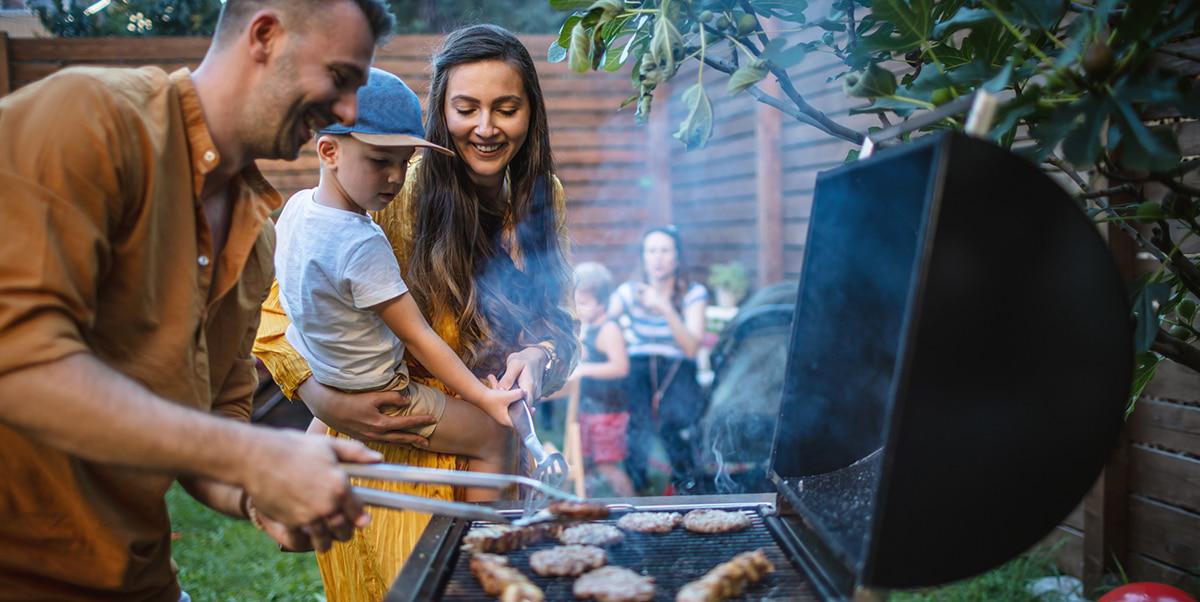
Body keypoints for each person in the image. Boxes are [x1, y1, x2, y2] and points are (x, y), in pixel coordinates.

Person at [0, 1, 395, 600]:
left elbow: (211, 422)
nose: (344, 112)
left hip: (142, 579)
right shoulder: (89, 118)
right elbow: (19, 361)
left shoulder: (257, 231)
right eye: (340, 79)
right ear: (264, 35)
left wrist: (258, 496)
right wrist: (252, 455)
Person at [254, 24, 578, 601]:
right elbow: (282, 317)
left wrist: (540, 354)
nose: (486, 128)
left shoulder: (542, 194)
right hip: (392, 455)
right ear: (438, 112)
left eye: (506, 108)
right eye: (466, 108)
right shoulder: (388, 183)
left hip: (496, 458)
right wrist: (323, 400)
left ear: (531, 114)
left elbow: (561, 322)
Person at [275, 67, 524, 500]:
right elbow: (418, 337)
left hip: (325, 370)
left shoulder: (297, 209)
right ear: (329, 150)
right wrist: (485, 401)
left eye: (404, 161)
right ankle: (482, 545)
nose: (395, 177)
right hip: (382, 391)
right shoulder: (361, 242)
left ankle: (289, 499)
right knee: (493, 438)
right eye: (379, 161)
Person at [609, 226, 709, 495]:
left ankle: (688, 486)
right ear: (643, 256)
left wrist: (665, 307)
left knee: (674, 422)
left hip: (677, 365)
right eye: (651, 251)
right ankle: (638, 487)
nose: (658, 258)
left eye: (665, 251)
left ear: (677, 257)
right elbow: (602, 318)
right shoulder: (630, 291)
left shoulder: (693, 293)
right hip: (639, 363)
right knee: (637, 424)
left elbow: (691, 348)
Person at [570, 262, 635, 497]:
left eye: (584, 303)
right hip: (590, 408)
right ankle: (587, 507)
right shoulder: (589, 327)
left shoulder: (609, 329)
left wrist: (585, 369)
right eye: (576, 302)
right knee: (586, 463)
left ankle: (634, 507)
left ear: (602, 302)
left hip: (609, 411)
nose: (579, 308)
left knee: (607, 466)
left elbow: (620, 367)